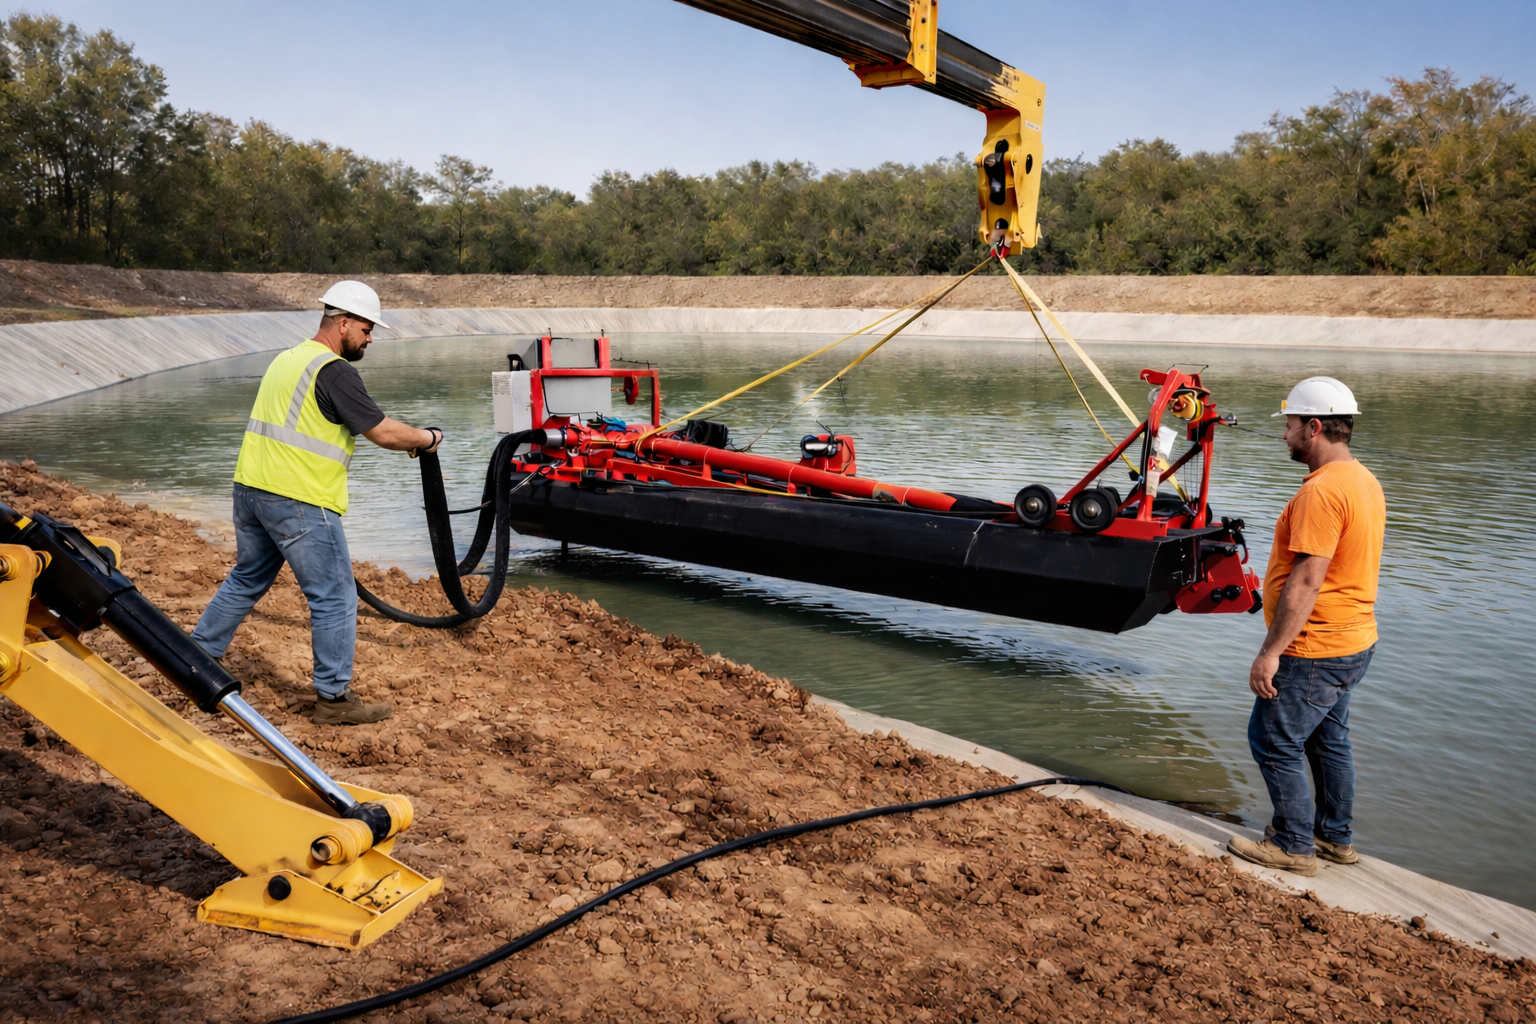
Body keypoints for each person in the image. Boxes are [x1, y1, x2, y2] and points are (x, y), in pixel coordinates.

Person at [193, 281, 443, 726]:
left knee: (247, 577)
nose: (370, 338)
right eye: (367, 329)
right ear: (342, 323)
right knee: (334, 596)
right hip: (300, 499)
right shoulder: (335, 371)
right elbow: (382, 431)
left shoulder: (287, 359)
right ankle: (333, 698)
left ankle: (194, 660)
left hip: (251, 489)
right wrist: (428, 438)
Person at [1228, 377, 1386, 877]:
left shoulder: (1322, 492)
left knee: (1273, 739)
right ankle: (1333, 838)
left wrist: (1270, 651)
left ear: (1314, 427)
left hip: (1314, 647)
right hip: (1354, 640)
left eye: (1291, 426)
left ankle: (1294, 846)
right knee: (1328, 740)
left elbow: (1307, 580)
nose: (1285, 435)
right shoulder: (1363, 479)